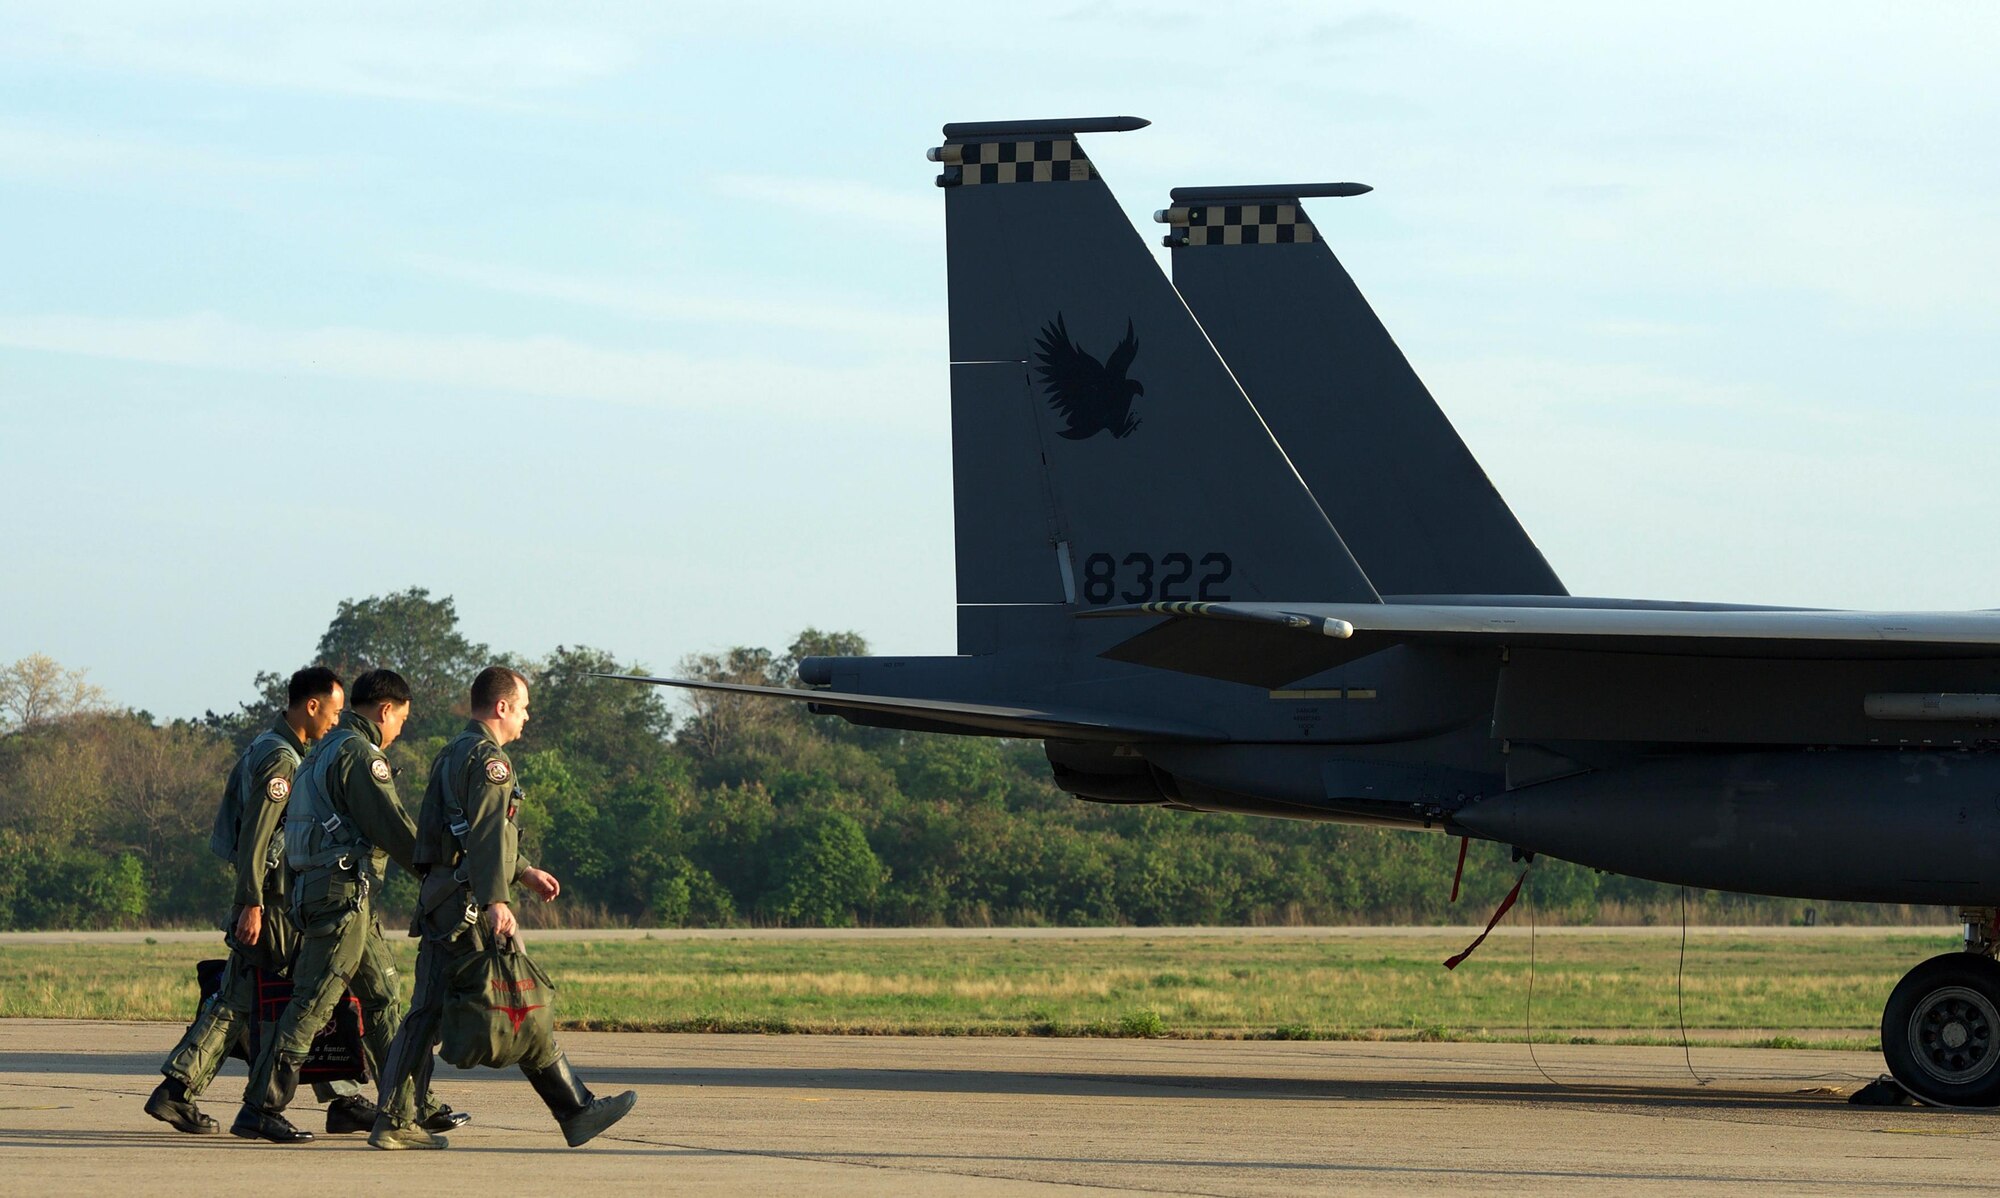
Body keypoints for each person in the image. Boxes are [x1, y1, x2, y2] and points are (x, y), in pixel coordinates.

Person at [369, 665, 636, 1150]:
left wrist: (523, 869)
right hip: (472, 906)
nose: (527, 717)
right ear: (502, 707)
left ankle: (392, 1120)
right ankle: (575, 1110)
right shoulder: (492, 763)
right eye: (524, 707)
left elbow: (452, 835)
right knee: (521, 998)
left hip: (442, 899)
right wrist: (496, 900)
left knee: (425, 1014)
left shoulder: (451, 753)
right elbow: (489, 833)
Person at [231, 667, 465, 1144]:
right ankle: (261, 1105)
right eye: (402, 719)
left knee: (382, 999)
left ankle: (407, 1105)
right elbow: (395, 829)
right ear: (385, 711)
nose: (401, 729)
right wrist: (448, 868)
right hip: (340, 899)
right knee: (313, 1002)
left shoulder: (325, 749)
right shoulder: (360, 755)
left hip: (333, 895)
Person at [146, 667, 382, 1134]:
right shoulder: (283, 763)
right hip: (275, 903)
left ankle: (177, 1091)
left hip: (267, 899)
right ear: (311, 707)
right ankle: (315, 1101)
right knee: (307, 997)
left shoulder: (266, 746)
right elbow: (257, 836)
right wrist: (251, 902)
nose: (336, 723)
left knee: (240, 1000)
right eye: (333, 713)